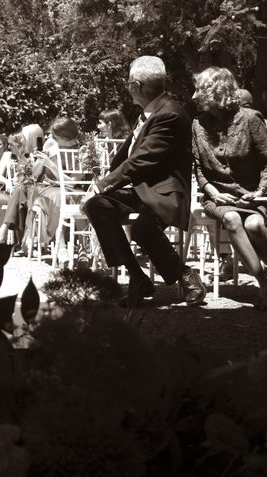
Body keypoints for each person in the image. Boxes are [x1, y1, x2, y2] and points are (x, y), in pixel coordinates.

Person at [82, 55, 206, 308]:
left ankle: (185, 276)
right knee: (98, 205)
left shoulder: (170, 114)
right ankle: (138, 279)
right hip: (140, 190)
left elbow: (141, 161)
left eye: (129, 84)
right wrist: (100, 191)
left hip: (164, 192)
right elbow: (130, 160)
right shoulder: (152, 111)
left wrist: (100, 184)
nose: (128, 88)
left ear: (135, 86)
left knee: (141, 228)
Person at [191, 66, 267, 310]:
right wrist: (211, 191)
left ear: (217, 91)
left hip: (251, 194)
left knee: (254, 224)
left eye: (200, 90)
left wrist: (261, 191)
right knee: (233, 219)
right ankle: (264, 284)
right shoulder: (198, 124)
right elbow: (198, 169)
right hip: (217, 197)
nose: (194, 96)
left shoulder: (251, 119)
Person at [22, 117, 80, 261]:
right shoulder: (50, 145)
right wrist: (40, 161)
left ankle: (83, 248)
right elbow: (35, 175)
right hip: (46, 188)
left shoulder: (82, 150)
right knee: (59, 197)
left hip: (70, 188)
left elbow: (73, 182)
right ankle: (61, 247)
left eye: (55, 136)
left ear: (64, 137)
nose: (51, 138)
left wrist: (51, 165)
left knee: (73, 197)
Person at [0, 124, 44, 245]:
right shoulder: (18, 155)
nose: (22, 139)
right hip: (21, 190)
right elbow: (2, 177)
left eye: (24, 137)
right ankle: (24, 240)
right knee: (20, 195)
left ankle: (6, 230)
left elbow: (36, 177)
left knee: (20, 194)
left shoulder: (39, 155)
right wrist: (11, 181)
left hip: (36, 190)